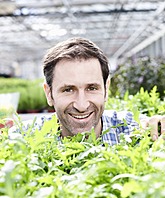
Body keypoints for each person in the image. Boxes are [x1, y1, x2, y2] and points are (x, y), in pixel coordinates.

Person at [1, 37, 165, 144]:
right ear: (49, 94)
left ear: (106, 89)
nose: (81, 105)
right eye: (68, 90)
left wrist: (158, 126)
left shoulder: (133, 129)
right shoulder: (23, 139)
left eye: (92, 88)